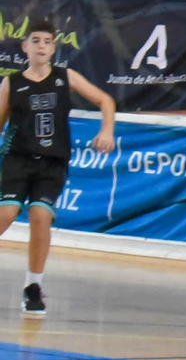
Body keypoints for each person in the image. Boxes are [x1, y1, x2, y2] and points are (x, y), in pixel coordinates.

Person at [0, 21, 117, 316]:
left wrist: (107, 131)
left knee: (41, 216)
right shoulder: (11, 83)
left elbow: (105, 100)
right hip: (18, 158)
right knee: (6, 214)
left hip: (53, 162)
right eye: (35, 40)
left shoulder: (66, 77)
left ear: (53, 48)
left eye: (47, 41)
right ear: (25, 47)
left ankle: (33, 286)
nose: (41, 46)